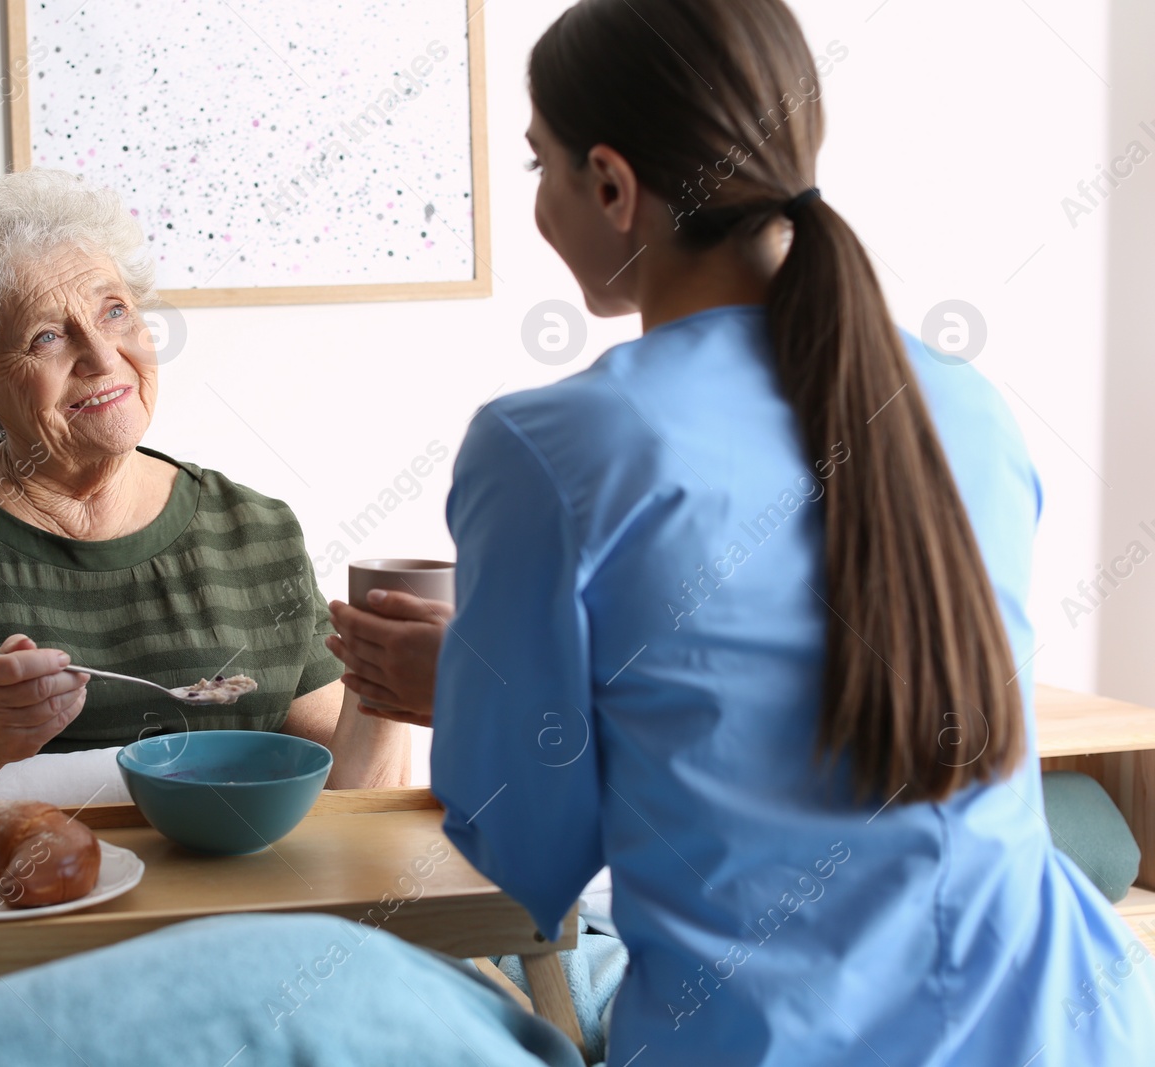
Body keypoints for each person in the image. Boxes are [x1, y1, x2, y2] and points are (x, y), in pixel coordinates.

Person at [328, 0, 1155, 1062]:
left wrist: (480, 692)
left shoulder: (550, 447)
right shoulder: (965, 402)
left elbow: (533, 854)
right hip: (1068, 1018)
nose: (539, 199)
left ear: (615, 187)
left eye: (540, 166)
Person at [0, 170, 409, 820]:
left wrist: (386, 676)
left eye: (115, 310)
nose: (102, 354)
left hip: (231, 913)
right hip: (2, 912)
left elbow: (351, 809)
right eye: (46, 336)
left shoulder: (256, 533)